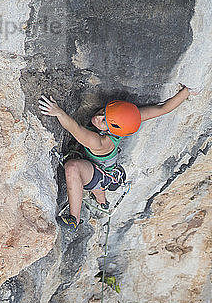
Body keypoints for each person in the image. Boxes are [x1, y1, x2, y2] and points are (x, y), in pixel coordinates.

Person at [38, 85, 198, 229]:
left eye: (104, 121)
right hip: (106, 171)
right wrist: (187, 91)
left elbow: (75, 128)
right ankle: (102, 201)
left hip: (100, 173)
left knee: (73, 167)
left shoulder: (99, 142)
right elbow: (162, 108)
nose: (97, 118)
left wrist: (58, 111)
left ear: (112, 129)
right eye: (103, 112)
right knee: (98, 185)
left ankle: (74, 218)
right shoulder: (125, 118)